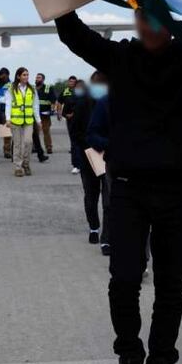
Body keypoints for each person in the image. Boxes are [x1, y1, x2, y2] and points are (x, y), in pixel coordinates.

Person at [52, 3, 182, 364]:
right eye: (143, 17)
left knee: (172, 286)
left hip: (176, 191)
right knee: (123, 279)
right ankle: (129, 355)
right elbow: (73, 33)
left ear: (172, 22)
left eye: (157, 17)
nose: (149, 26)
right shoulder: (120, 58)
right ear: (136, 21)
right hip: (127, 189)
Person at [72, 75, 107, 246]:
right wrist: (90, 147)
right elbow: (76, 131)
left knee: (110, 198)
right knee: (91, 195)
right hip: (89, 156)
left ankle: (107, 236)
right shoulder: (83, 104)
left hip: (110, 157)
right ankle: (94, 227)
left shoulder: (113, 103)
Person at [87, 77, 113, 255]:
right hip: (107, 159)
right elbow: (90, 134)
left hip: (141, 163)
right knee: (100, 198)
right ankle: (104, 236)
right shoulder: (104, 103)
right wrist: (112, 144)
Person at [5, 67, 38, 177]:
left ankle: (26, 164)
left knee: (28, 142)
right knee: (17, 145)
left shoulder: (32, 89)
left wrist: (39, 120)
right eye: (24, 75)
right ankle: (18, 167)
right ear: (18, 76)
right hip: (15, 121)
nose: (26, 77)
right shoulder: (11, 89)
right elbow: (8, 105)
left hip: (28, 120)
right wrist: (8, 119)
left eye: (27, 75)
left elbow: (35, 106)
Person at [58, 76, 81, 173]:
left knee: (79, 142)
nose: (71, 83)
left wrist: (74, 113)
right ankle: (76, 165)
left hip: (79, 119)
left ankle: (80, 164)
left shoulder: (79, 92)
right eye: (70, 81)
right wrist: (59, 113)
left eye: (73, 81)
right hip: (69, 119)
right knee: (73, 141)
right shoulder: (65, 91)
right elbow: (59, 102)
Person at [35, 73, 55, 157]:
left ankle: (49, 147)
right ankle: (34, 147)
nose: (36, 79)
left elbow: (53, 100)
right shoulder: (33, 88)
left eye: (39, 78)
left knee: (46, 131)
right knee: (35, 132)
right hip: (35, 114)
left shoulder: (48, 88)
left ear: (43, 79)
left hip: (45, 114)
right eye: (36, 77)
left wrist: (52, 109)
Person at [0, 68, 12, 159]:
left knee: (7, 132)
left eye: (1, 74)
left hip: (5, 110)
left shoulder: (11, 85)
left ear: (7, 75)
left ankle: (7, 151)